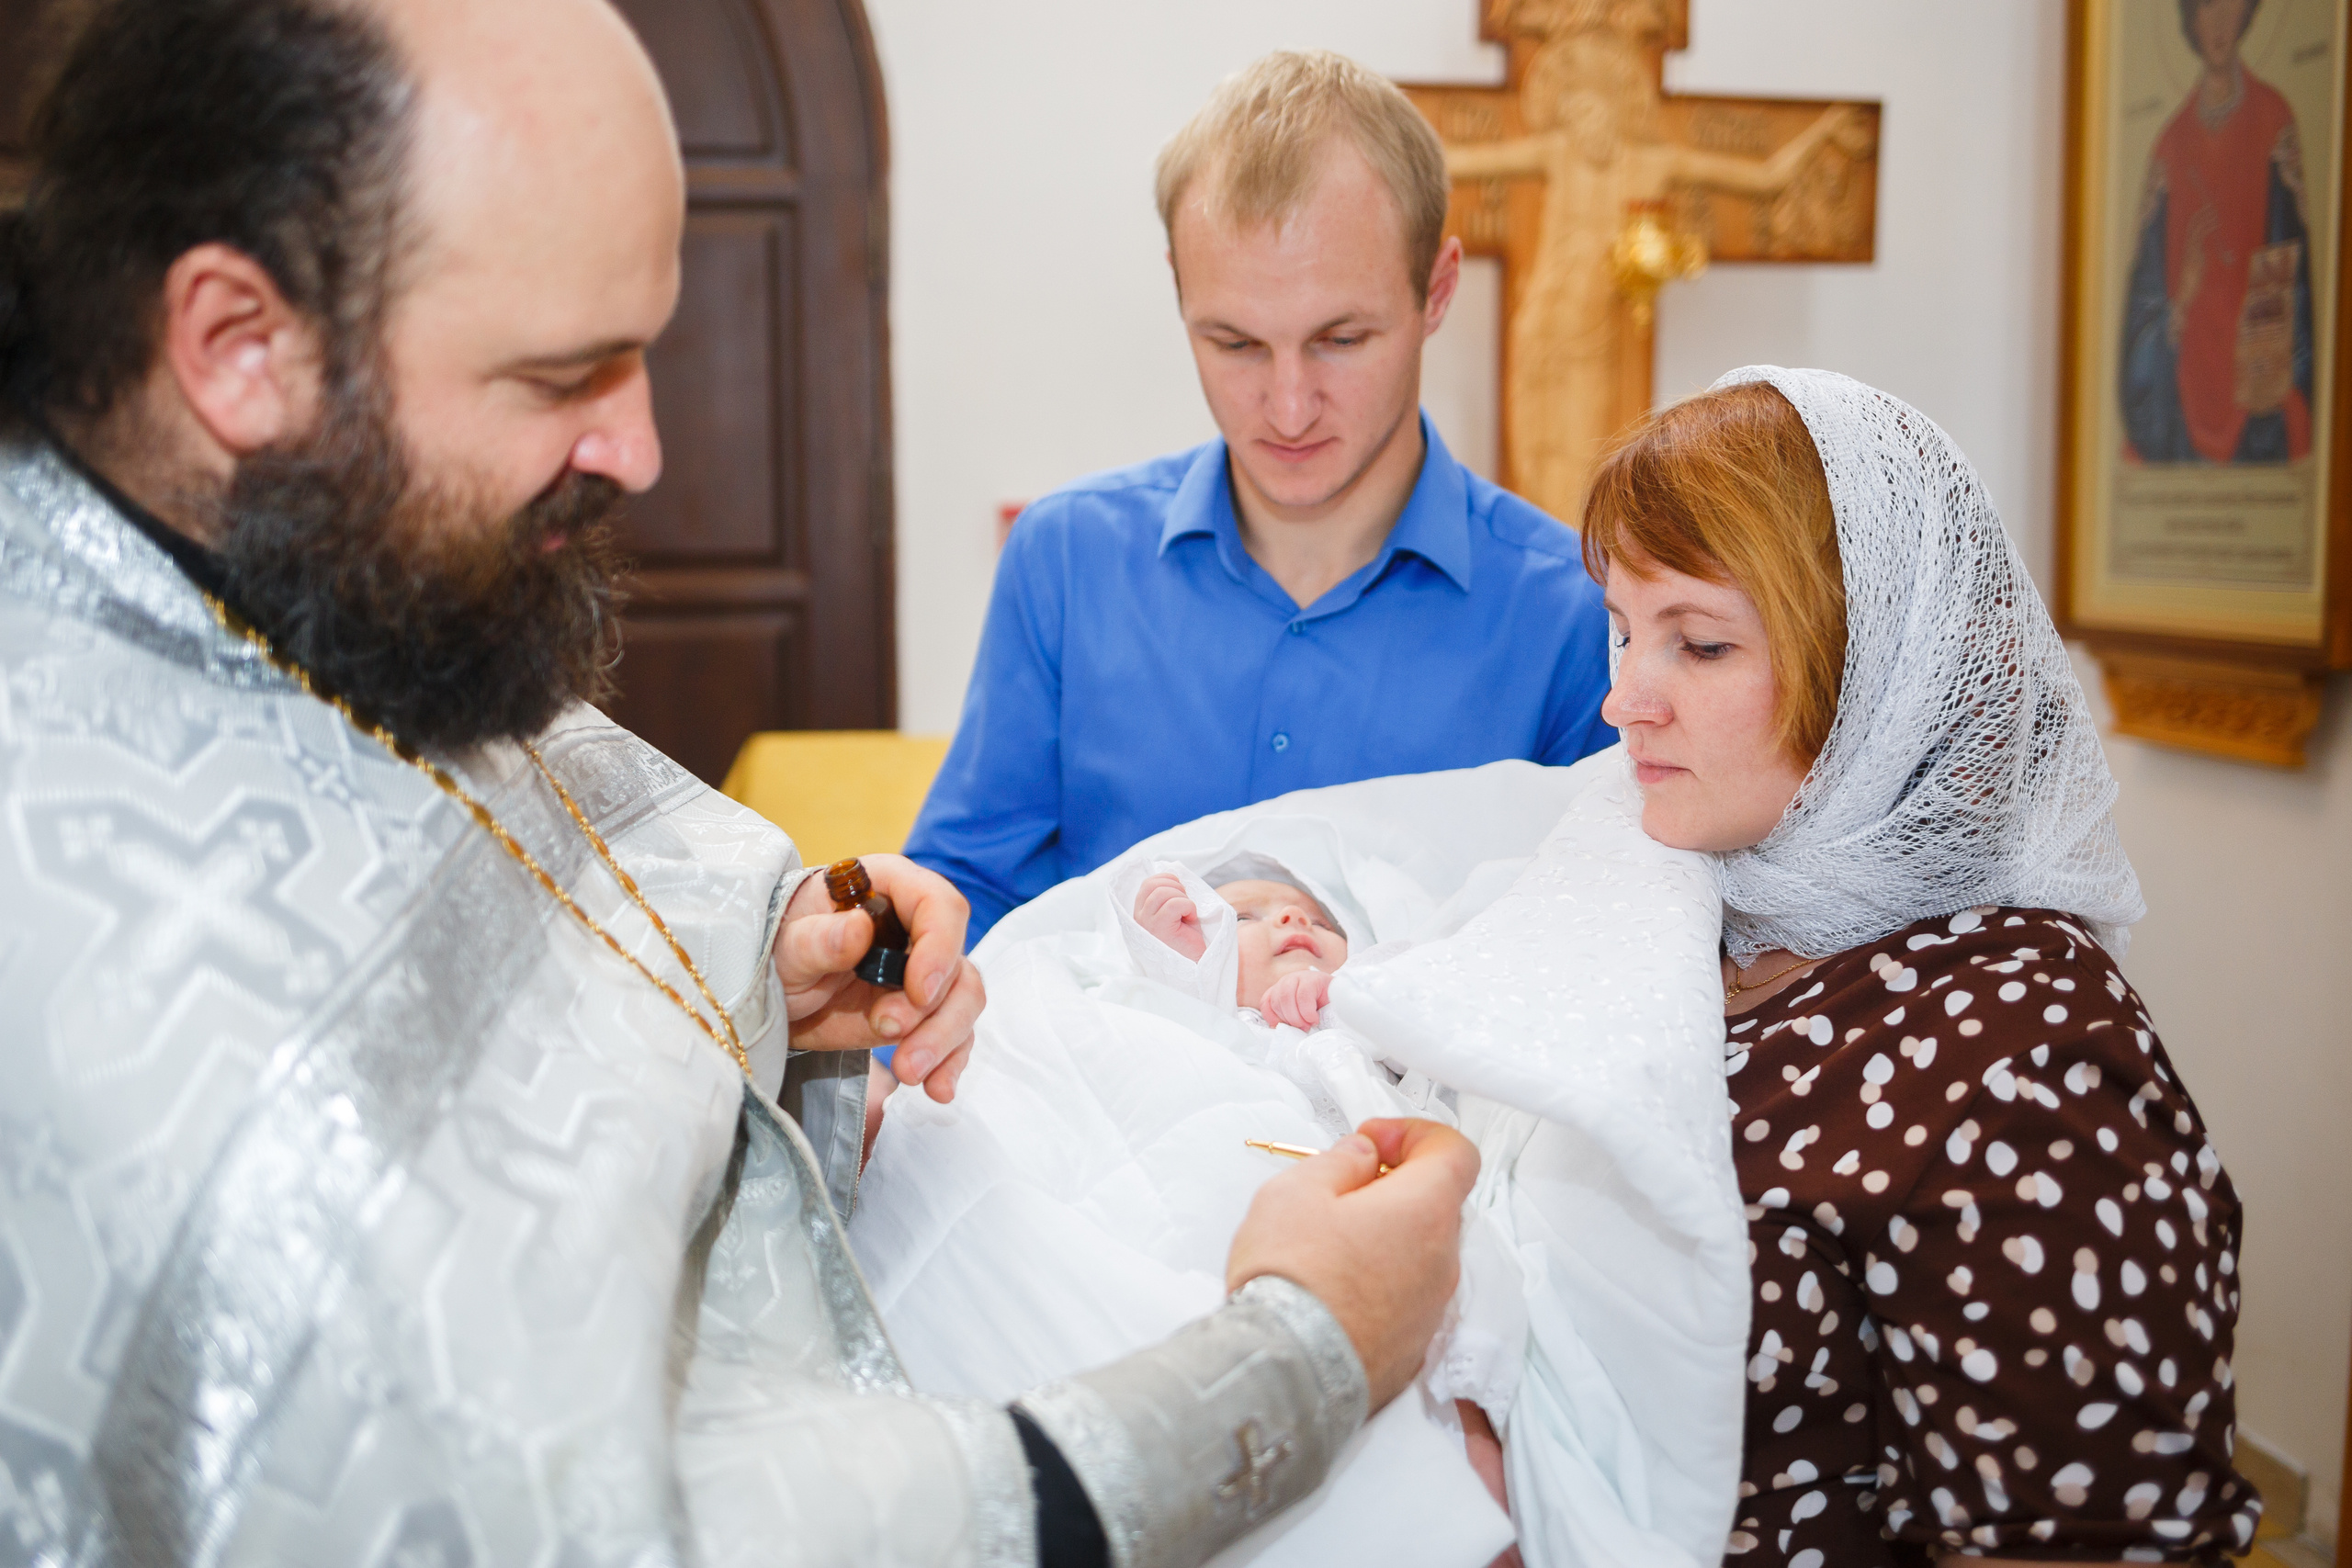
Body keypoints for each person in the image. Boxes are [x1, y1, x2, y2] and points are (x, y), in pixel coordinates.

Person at [0, 4, 1479, 1564]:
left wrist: (768, 991)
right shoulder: (104, 994)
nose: (639, 446)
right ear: (240, 348)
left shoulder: (314, 567)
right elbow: (598, 1518)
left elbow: (547, 903)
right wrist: (1300, 1354)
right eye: (567, 371)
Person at [1580, 367, 2260, 1562]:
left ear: (1872, 668)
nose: (1621, 698)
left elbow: (2085, 1537)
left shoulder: (2029, 1061)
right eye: (1624, 629)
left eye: (1698, 642)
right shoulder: (1704, 910)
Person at [906, 50, 1618, 943]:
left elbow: (1589, 956)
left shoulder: (1572, 617)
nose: (1286, 409)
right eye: (1234, 343)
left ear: (1435, 291)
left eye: (1341, 339)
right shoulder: (1066, 560)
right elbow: (966, 887)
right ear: (1177, 286)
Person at [2120, 0, 2312, 464]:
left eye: (2232, 7)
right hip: (2182, 399)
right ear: (2190, 18)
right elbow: (2141, 314)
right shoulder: (2169, 147)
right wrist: (2181, 299)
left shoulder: (2273, 123)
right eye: (2208, 8)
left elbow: (2297, 277)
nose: (2221, 26)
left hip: (2255, 396)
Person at [1131, 862, 1350, 1028]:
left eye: (1320, 923)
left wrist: (1340, 997)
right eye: (1242, 918)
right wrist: (1167, 957)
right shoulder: (1199, 1027)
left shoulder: (1366, 994)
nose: (1295, 915)